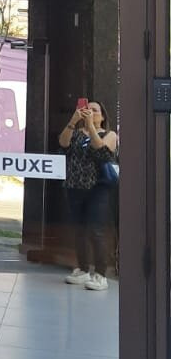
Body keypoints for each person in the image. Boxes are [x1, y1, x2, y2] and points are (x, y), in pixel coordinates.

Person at [58, 99, 118, 290]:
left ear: (103, 116)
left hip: (97, 188)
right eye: (87, 109)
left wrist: (91, 126)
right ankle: (83, 269)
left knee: (96, 230)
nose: (90, 112)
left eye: (94, 110)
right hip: (75, 186)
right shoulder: (76, 133)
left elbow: (101, 150)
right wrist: (73, 121)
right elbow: (63, 143)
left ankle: (100, 274)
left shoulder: (110, 134)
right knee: (79, 230)